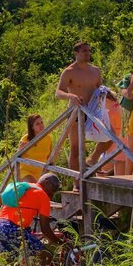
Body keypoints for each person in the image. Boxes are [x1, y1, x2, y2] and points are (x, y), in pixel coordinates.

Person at [0, 173, 64, 266]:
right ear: (47, 183)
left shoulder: (25, 187)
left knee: (12, 262)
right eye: (54, 188)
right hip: (12, 229)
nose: (54, 193)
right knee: (44, 254)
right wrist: (60, 242)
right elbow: (45, 229)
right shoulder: (43, 196)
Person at [55, 41, 103, 170]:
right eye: (84, 51)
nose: (88, 53)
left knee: (109, 137)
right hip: (76, 113)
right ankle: (77, 182)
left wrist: (108, 95)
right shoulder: (69, 71)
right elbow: (58, 93)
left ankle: (92, 160)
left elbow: (100, 89)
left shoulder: (95, 70)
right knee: (76, 148)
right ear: (76, 53)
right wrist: (70, 95)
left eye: (88, 51)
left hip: (94, 112)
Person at [17, 114, 52, 182]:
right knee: (34, 187)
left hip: (41, 173)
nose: (41, 125)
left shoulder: (48, 138)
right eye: (37, 124)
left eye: (42, 122)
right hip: (26, 172)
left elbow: (50, 158)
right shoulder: (25, 139)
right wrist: (19, 150)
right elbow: (17, 158)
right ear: (32, 127)